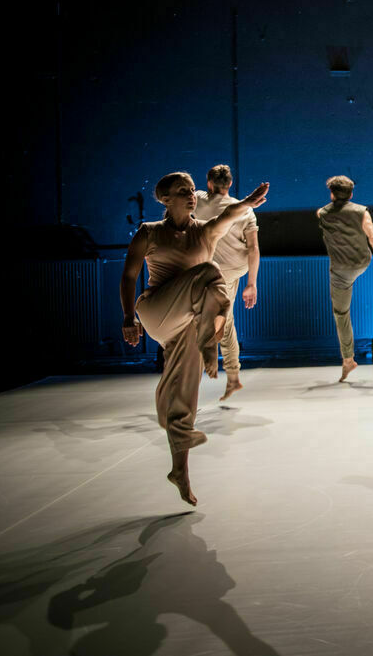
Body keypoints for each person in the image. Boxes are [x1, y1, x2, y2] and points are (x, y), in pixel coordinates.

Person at [121, 172, 269, 505]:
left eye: (191, 190)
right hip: (157, 310)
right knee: (210, 272)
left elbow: (228, 215)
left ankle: (180, 471)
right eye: (182, 191)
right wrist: (128, 317)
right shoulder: (149, 232)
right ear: (165, 199)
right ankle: (210, 339)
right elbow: (129, 275)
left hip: (185, 323)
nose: (190, 195)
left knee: (184, 393)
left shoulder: (204, 231)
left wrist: (247, 203)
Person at [194, 164, 260, 401]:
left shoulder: (198, 200)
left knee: (220, 321)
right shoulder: (245, 210)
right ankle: (232, 377)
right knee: (224, 320)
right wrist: (251, 283)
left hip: (212, 271)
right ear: (230, 184)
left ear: (209, 183)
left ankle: (225, 376)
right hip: (232, 270)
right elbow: (253, 248)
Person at [317, 175, 373, 382]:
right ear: (351, 194)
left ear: (332, 194)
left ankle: (348, 359)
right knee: (345, 300)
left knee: (341, 313)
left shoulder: (322, 213)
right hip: (362, 263)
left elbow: (325, 214)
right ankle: (348, 360)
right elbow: (372, 236)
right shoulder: (361, 212)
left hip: (341, 271)